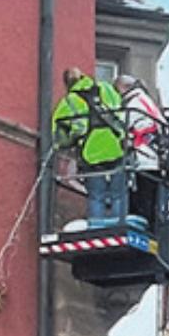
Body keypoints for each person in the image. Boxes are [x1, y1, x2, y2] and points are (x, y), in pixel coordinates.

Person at [50, 67, 133, 230]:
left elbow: (59, 130)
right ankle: (119, 227)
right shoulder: (106, 88)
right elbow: (121, 111)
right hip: (115, 146)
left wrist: (61, 144)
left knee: (96, 195)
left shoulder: (69, 101)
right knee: (118, 194)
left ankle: (97, 227)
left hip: (91, 151)